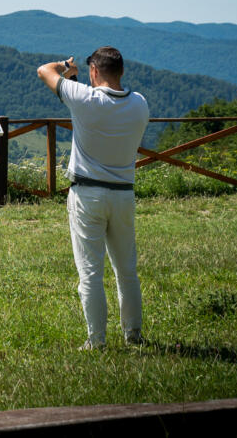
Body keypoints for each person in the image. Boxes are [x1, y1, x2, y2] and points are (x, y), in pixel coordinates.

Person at [37, 46, 149, 350]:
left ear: (94, 71)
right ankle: (133, 334)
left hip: (87, 194)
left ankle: (96, 340)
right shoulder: (139, 104)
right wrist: (79, 78)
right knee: (126, 270)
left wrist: (63, 65)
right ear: (122, 71)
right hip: (124, 194)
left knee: (90, 272)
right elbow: (103, 100)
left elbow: (44, 71)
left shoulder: (84, 100)